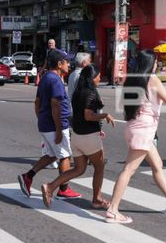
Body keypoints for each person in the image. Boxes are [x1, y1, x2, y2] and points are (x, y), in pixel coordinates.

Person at [104, 50, 166, 224]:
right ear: (150, 64)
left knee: (158, 165)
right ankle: (113, 210)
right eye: (155, 62)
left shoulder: (131, 79)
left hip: (134, 128)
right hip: (144, 131)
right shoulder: (152, 79)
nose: (156, 64)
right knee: (128, 170)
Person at [41, 65, 115, 209]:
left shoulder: (78, 92)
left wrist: (98, 127)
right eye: (99, 76)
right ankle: (97, 199)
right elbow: (88, 115)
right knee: (99, 167)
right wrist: (105, 115)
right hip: (89, 138)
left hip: (76, 136)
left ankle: (51, 186)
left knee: (78, 169)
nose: (100, 78)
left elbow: (81, 115)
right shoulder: (90, 93)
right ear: (93, 78)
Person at [17, 49, 82, 200]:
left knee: (52, 155)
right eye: (66, 61)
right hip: (55, 125)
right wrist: (59, 129)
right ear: (59, 64)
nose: (69, 64)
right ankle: (63, 189)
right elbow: (55, 105)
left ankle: (28, 176)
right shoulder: (55, 80)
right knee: (65, 156)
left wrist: (41, 119)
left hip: (46, 124)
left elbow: (37, 102)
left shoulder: (46, 77)